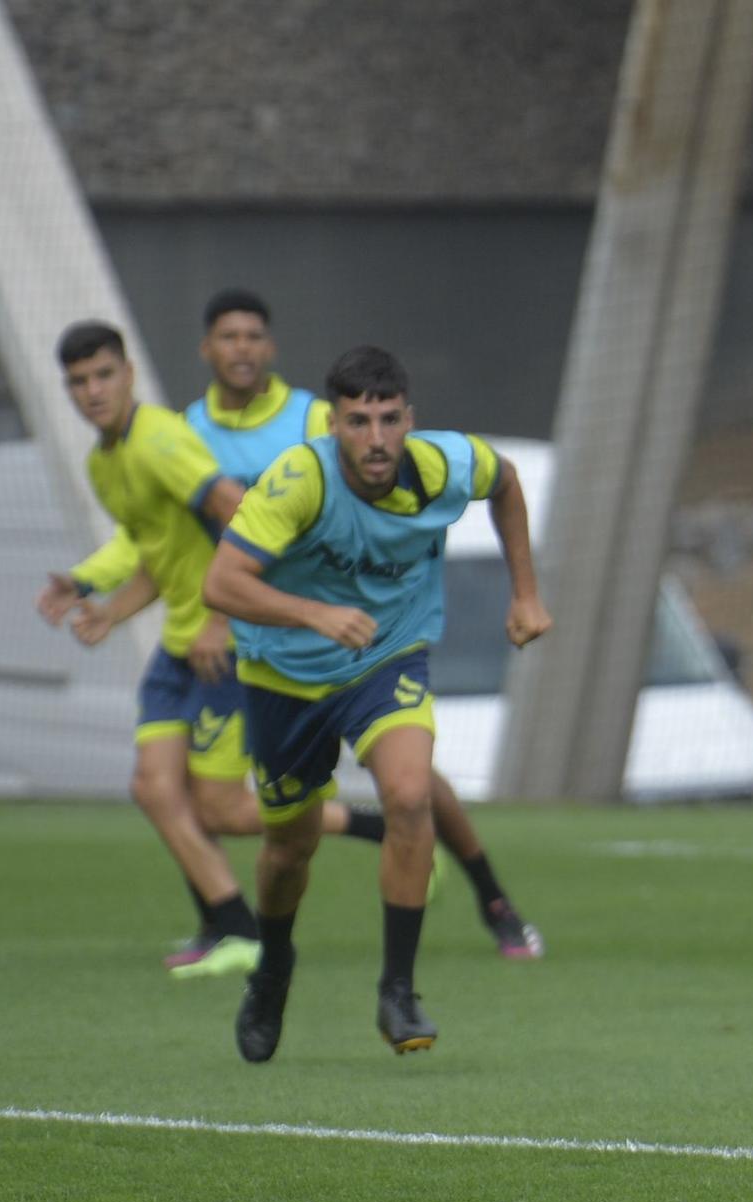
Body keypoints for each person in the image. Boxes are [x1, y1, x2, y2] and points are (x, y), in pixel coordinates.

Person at [205, 345, 551, 1062]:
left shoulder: (444, 465)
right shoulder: (299, 479)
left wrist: (526, 593)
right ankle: (273, 968)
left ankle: (398, 987)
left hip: (386, 656)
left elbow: (508, 483)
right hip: (286, 677)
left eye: (389, 419)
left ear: (409, 419)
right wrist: (313, 615)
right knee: (288, 847)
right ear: (334, 424)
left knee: (408, 792)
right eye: (359, 422)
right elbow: (223, 584)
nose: (376, 438)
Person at [35, 320, 259, 979]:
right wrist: (102, 603)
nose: (93, 391)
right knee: (154, 788)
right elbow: (156, 554)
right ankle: (236, 928)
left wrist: (221, 615)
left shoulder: (160, 440)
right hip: (179, 645)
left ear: (129, 373)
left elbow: (238, 510)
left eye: (103, 375)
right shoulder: (103, 463)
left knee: (222, 806)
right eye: (79, 382)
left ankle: (369, 827)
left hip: (223, 642)